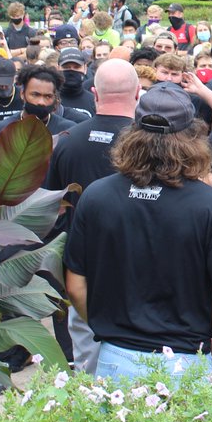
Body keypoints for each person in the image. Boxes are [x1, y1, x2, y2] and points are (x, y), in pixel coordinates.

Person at [64, 83, 212, 383]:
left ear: (133, 131)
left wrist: (106, 327)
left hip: (115, 354)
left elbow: (75, 287)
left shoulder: (96, 196)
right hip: (185, 360)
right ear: (192, 137)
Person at [46, 60, 141, 373]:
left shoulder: (66, 140)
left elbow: (51, 206)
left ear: (94, 93)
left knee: (88, 361)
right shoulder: (151, 145)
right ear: (138, 93)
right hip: (140, 266)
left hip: (82, 266)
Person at [57, 48, 95, 120]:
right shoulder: (50, 100)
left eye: (76, 67)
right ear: (58, 68)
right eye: (66, 67)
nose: (71, 71)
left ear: (85, 69)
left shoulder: (94, 102)